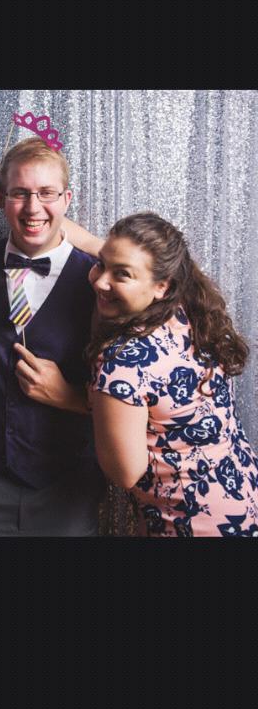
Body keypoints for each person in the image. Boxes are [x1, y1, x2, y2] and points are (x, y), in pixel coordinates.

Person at [0, 137, 105, 537]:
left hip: (65, 488)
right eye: (20, 193)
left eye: (46, 193)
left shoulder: (101, 279)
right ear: (2, 198)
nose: (33, 207)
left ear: (67, 199)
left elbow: (142, 385)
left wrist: (70, 396)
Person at [87, 212, 258, 537]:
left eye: (121, 274)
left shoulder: (122, 360)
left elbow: (125, 472)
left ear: (161, 286)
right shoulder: (189, 312)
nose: (100, 281)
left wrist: (70, 397)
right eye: (100, 264)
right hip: (245, 500)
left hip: (194, 523)